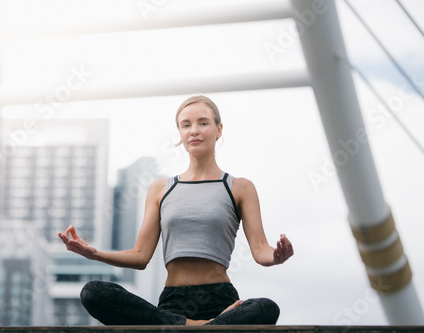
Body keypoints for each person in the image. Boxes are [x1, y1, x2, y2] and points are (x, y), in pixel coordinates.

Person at [58, 95, 294, 326]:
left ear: (219, 129)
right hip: (173, 305)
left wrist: (276, 256)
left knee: (266, 308)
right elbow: (140, 256)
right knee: (94, 292)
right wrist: (94, 253)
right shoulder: (160, 189)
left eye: (203, 122)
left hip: (221, 301)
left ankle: (189, 327)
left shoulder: (240, 187)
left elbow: (261, 250)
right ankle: (202, 327)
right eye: (186, 125)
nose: (194, 130)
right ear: (180, 133)